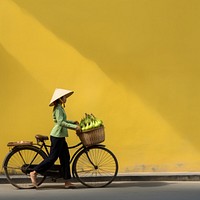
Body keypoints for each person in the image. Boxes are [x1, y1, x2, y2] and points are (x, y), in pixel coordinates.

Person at [30, 88, 81, 188]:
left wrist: (73, 122)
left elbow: (63, 120)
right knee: (52, 158)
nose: (66, 98)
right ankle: (34, 172)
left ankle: (67, 181)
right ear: (60, 99)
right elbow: (61, 122)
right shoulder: (58, 108)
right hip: (57, 136)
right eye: (64, 97)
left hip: (61, 137)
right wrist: (75, 127)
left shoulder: (60, 108)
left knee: (65, 158)